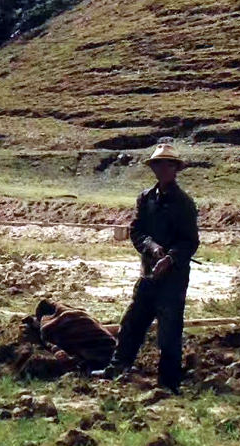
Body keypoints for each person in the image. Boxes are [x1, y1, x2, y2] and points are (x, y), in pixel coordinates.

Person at [93, 143, 199, 393]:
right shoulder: (146, 198)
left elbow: (190, 241)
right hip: (149, 274)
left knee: (170, 330)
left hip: (173, 280)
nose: (162, 169)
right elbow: (137, 231)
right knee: (132, 322)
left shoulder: (184, 203)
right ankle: (117, 369)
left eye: (167, 164)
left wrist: (170, 258)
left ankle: (168, 383)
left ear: (175, 169)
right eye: (158, 164)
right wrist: (151, 248)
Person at [22, 299, 117, 372]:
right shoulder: (81, 313)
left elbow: (48, 342)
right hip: (113, 347)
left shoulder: (47, 325)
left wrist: (57, 350)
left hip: (95, 355)